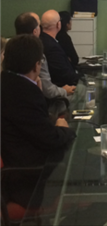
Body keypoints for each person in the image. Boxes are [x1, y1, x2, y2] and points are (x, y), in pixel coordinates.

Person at [0, 34, 76, 208]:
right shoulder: (23, 93)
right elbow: (50, 139)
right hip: (32, 179)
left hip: (25, 163)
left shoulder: (9, 82)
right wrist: (63, 128)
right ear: (37, 65)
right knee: (106, 181)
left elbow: (33, 125)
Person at [15, 12, 76, 100]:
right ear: (35, 31)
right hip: (41, 101)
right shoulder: (37, 53)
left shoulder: (10, 50)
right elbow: (48, 90)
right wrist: (64, 91)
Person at [40, 10, 79, 87]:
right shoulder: (53, 47)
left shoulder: (41, 40)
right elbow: (63, 73)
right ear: (58, 24)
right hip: (61, 86)